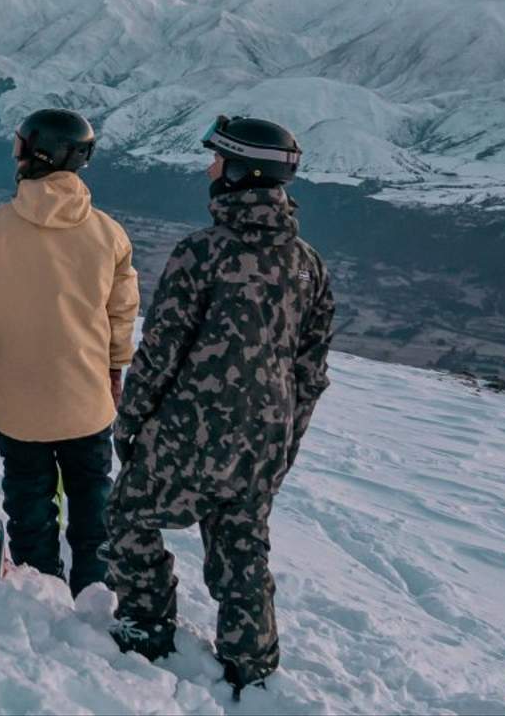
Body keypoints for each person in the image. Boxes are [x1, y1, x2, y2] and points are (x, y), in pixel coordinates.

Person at [106, 114, 335, 699]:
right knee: (242, 549)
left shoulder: (201, 254)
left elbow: (158, 352)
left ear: (239, 172)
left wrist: (130, 427)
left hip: (189, 432)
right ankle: (252, 667)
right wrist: (285, 447)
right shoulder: (309, 265)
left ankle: (147, 627)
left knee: (131, 516)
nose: (210, 169)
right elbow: (309, 374)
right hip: (264, 441)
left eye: (217, 160)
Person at [0, 108, 139, 596]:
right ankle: (97, 595)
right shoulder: (109, 234)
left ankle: (40, 593)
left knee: (29, 506)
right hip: (87, 400)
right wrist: (115, 370)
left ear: (37, 154)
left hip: (19, 403)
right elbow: (122, 315)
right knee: (93, 502)